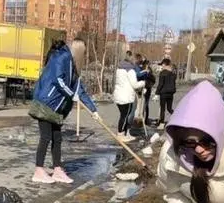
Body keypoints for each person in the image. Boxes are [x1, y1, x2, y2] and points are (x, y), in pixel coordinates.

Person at [28, 38, 100, 184]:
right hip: (46, 102)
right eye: (84, 53)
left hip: (56, 108)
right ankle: (39, 170)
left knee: (57, 138)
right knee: (46, 137)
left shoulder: (74, 69)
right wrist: (70, 93)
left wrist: (94, 111)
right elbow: (57, 79)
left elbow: (80, 91)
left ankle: (57, 170)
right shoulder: (62, 57)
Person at [114, 54, 145, 141]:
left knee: (124, 115)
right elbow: (135, 85)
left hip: (119, 95)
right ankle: (121, 134)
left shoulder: (119, 69)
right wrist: (143, 83)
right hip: (126, 97)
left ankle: (126, 133)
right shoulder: (130, 71)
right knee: (124, 116)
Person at [155, 58, 177, 129]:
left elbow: (160, 84)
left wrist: (156, 93)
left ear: (164, 64)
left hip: (163, 93)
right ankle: (177, 118)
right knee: (169, 108)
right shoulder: (173, 73)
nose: (162, 66)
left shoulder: (163, 73)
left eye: (162, 64)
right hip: (171, 93)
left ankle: (161, 123)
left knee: (162, 108)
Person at [141, 59, 156, 125]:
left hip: (147, 89)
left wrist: (149, 85)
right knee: (141, 105)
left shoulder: (149, 71)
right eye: (146, 64)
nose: (147, 65)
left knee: (145, 105)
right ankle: (141, 118)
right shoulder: (141, 70)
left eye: (148, 64)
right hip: (141, 89)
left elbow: (153, 79)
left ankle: (145, 119)